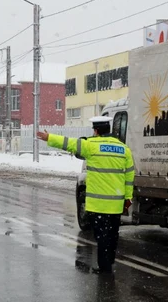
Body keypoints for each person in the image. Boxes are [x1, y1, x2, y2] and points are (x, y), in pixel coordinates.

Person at [37, 116, 134, 274]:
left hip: (98, 204)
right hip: (116, 204)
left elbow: (69, 143)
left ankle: (105, 269)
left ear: (96, 131)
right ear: (109, 130)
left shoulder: (91, 145)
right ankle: (109, 260)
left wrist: (49, 137)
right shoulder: (124, 149)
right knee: (112, 234)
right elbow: (129, 177)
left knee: (101, 236)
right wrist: (127, 199)